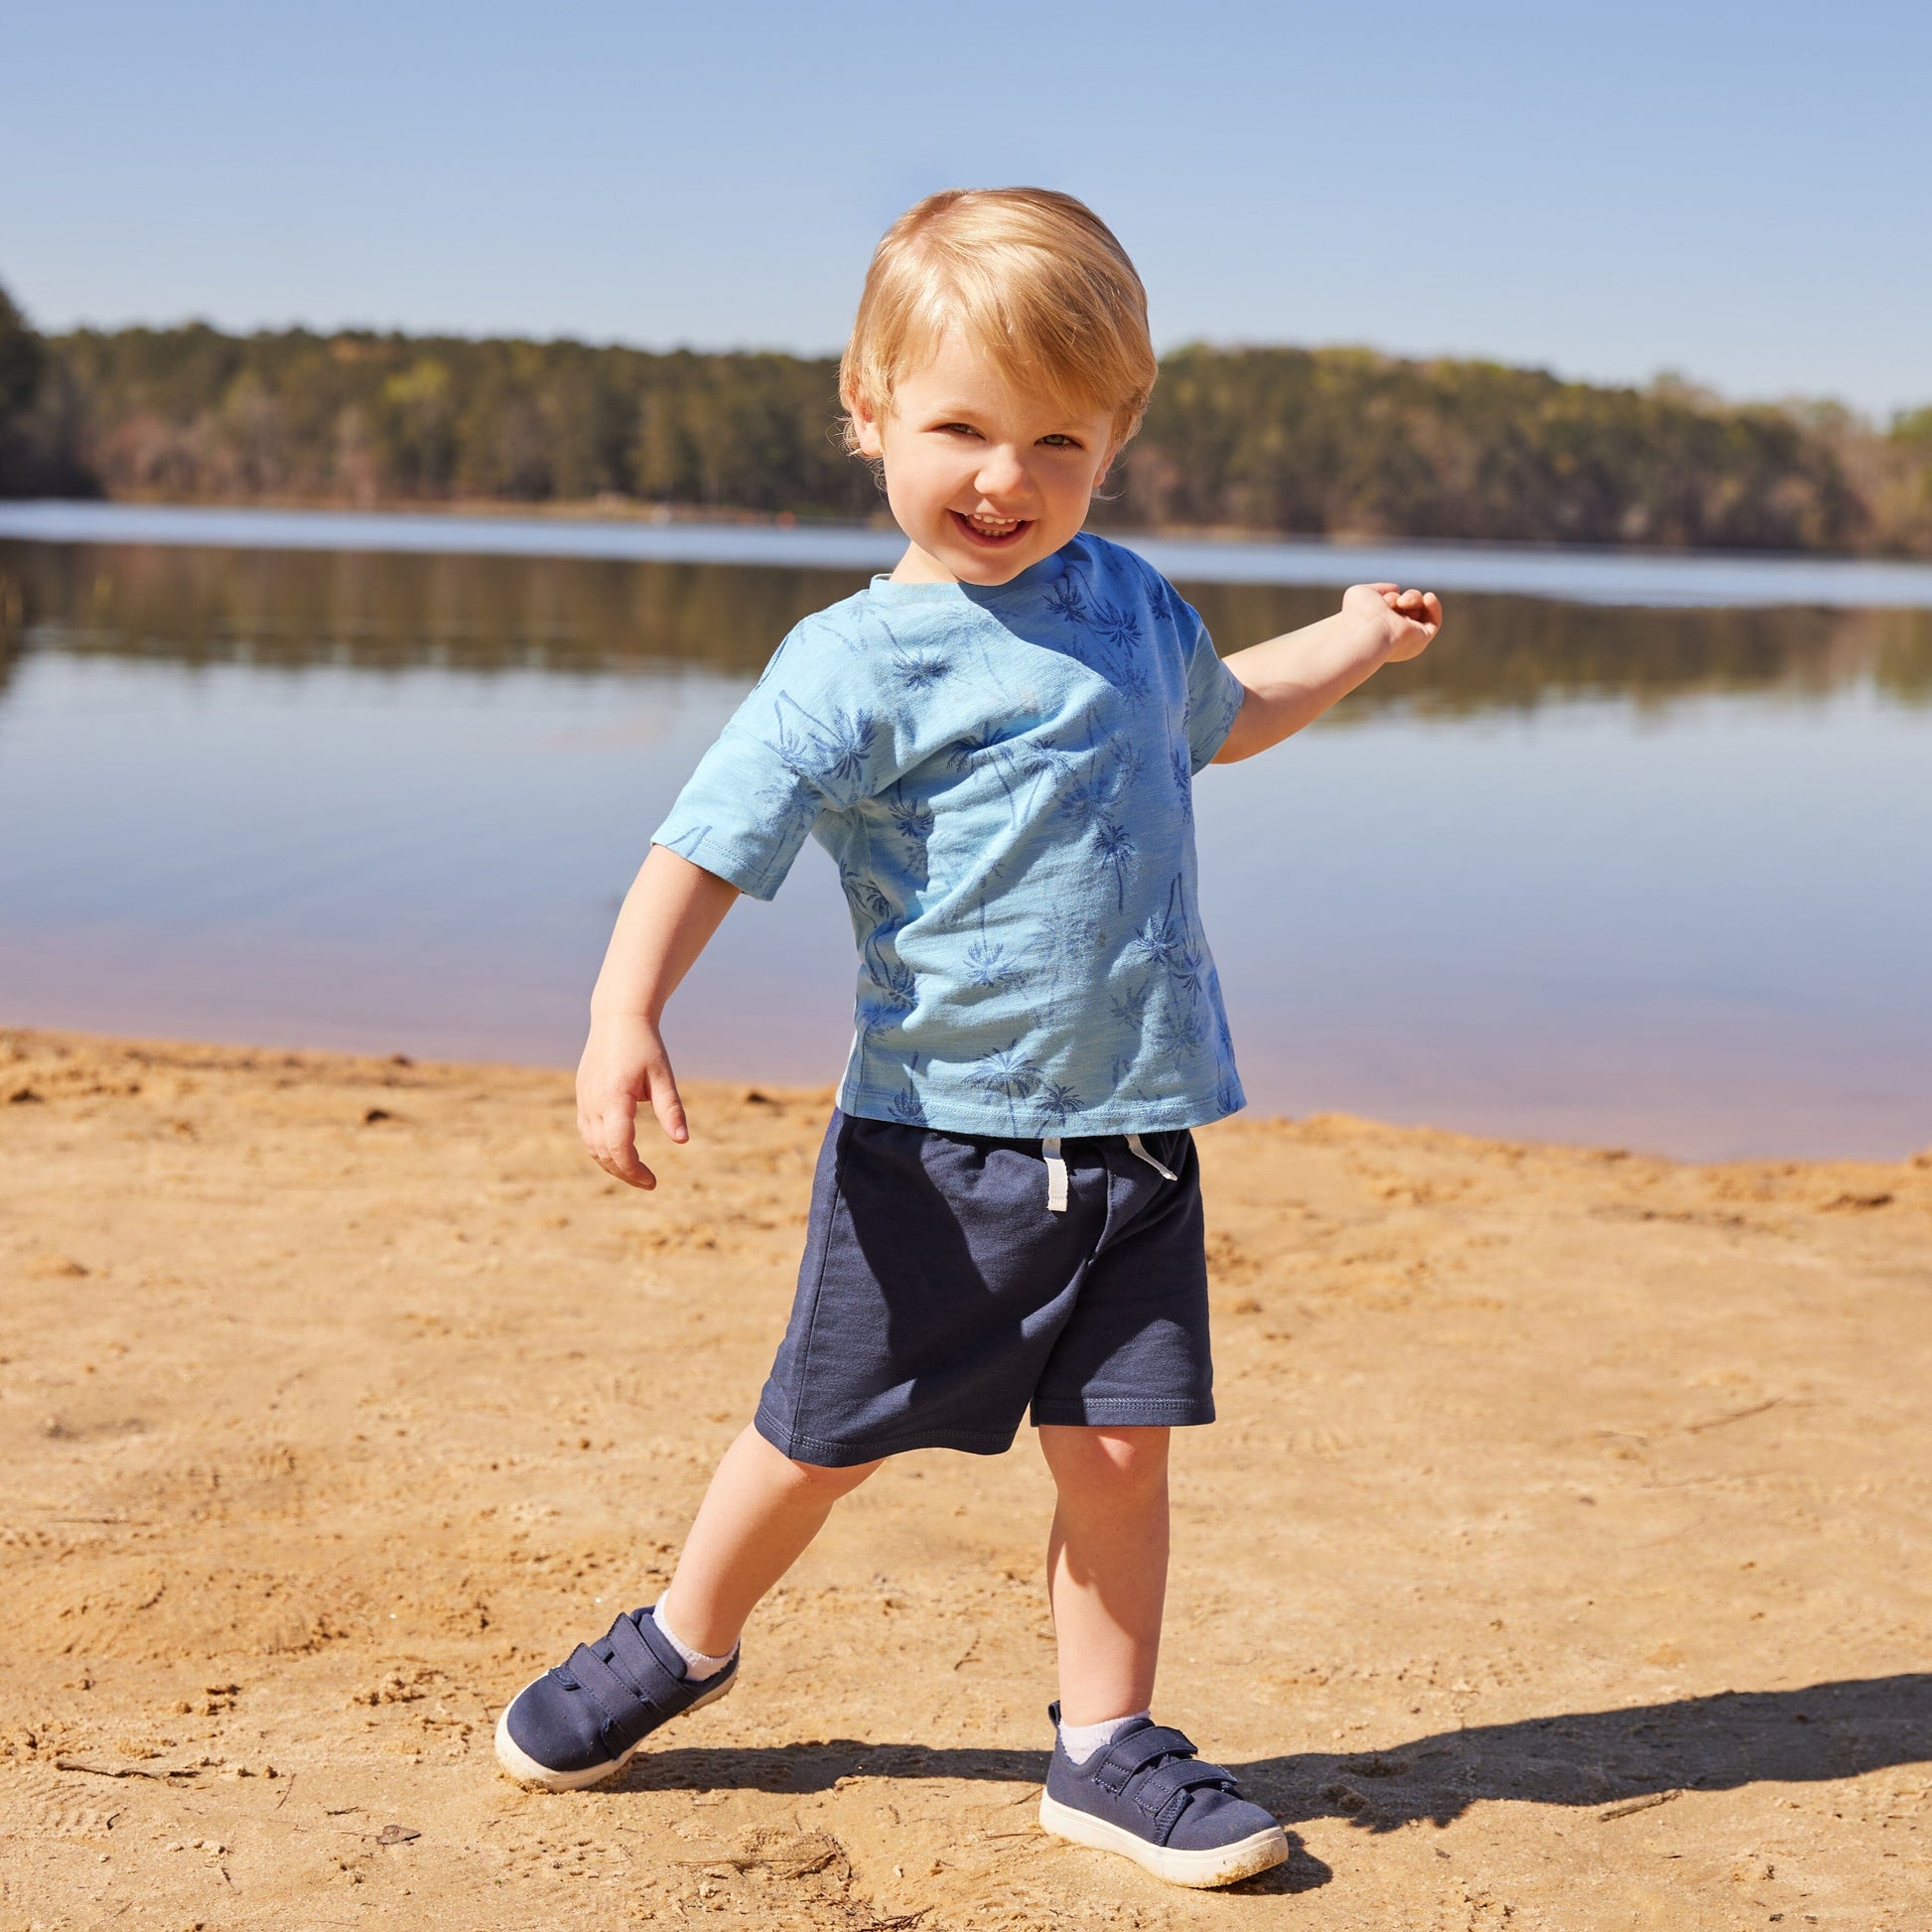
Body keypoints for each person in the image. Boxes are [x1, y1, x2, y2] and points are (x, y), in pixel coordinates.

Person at [493, 187, 1441, 1889]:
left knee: (1121, 1451)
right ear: (866, 416)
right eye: (958, 429)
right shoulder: (849, 663)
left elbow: (1223, 716)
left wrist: (1357, 641)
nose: (1004, 477)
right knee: (819, 1438)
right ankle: (683, 1633)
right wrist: (623, 1006)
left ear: (1116, 436)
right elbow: (709, 838)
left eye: (1056, 440)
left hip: (1140, 1133)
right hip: (939, 1146)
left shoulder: (1132, 605)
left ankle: (1103, 1746)